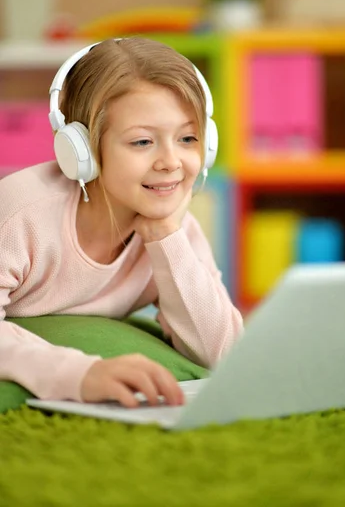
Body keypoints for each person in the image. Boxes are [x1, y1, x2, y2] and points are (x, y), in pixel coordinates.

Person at [0, 37, 243, 408]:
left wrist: (165, 235)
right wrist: (80, 374)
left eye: (188, 138)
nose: (171, 162)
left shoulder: (174, 226)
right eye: (143, 142)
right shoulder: (20, 215)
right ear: (81, 149)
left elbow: (224, 353)